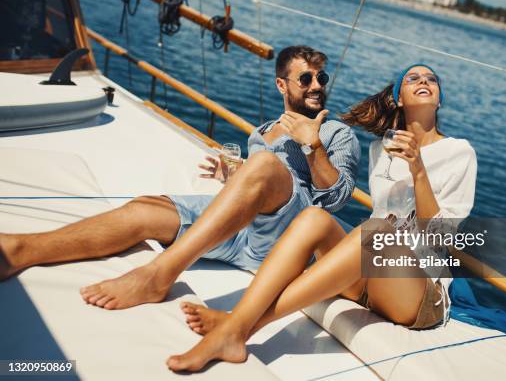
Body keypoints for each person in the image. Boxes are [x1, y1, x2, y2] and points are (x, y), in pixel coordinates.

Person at [165, 64, 477, 372]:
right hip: (371, 280)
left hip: (418, 290)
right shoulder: (381, 150)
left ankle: (237, 326)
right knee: (314, 216)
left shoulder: (459, 152)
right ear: (397, 99)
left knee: (378, 230)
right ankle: (237, 321)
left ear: (439, 100)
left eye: (431, 79)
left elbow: (440, 238)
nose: (424, 81)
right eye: (413, 78)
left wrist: (418, 170)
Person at [0, 46, 360, 311]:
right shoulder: (263, 131)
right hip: (243, 234)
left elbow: (335, 200)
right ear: (283, 85)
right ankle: (22, 249)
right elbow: (261, 186)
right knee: (146, 208)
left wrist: (313, 147)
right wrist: (234, 174)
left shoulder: (335, 135)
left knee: (265, 168)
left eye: (322, 78)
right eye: (306, 78)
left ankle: (159, 275)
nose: (316, 85)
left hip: (287, 240)